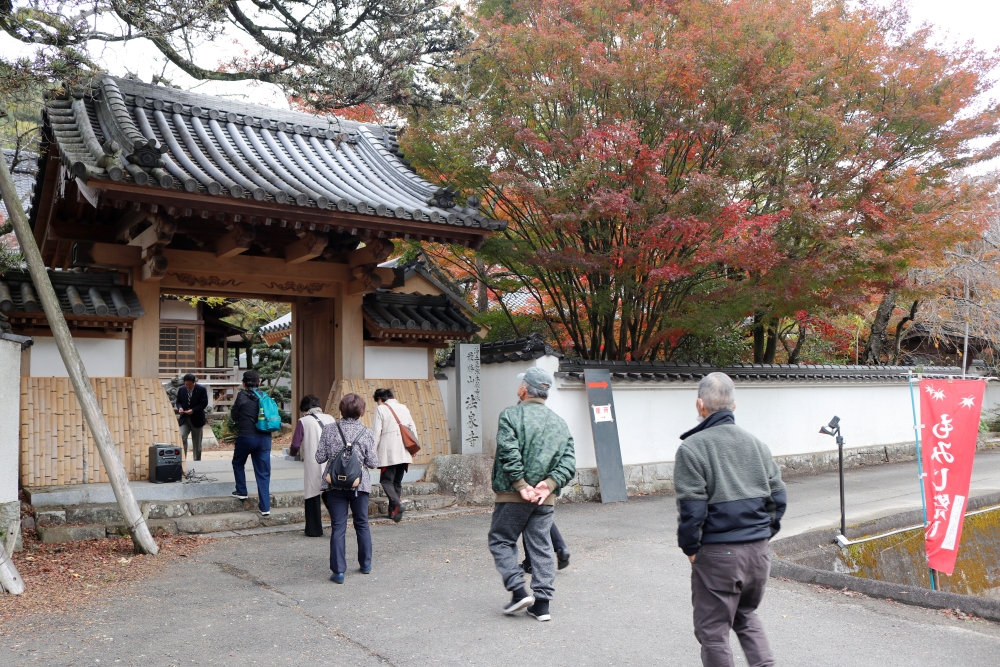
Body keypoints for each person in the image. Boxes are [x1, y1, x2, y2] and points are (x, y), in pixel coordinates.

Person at [674, 372, 787, 667]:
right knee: (745, 615)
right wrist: (762, 533)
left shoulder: (693, 448)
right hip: (758, 551)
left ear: (700, 405)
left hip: (718, 553)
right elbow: (779, 499)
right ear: (734, 407)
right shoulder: (757, 446)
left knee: (713, 631)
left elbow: (692, 510)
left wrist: (691, 549)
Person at [488, 366, 575, 622]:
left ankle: (518, 591)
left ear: (524, 389)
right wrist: (549, 484)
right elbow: (569, 461)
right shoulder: (560, 422)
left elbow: (508, 450)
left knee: (501, 540)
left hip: (514, 495)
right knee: (542, 545)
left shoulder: (511, 415)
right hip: (544, 498)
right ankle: (542, 605)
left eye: (520, 384)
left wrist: (521, 484)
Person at [316, 392, 378, 584]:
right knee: (362, 524)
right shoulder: (366, 432)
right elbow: (373, 462)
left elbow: (319, 457)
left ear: (341, 409)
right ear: (361, 411)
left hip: (334, 485)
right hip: (359, 485)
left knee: (338, 528)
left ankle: (339, 572)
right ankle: (365, 564)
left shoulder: (329, 429)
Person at [289, 394, 336, 537]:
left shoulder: (303, 421)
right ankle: (338, 525)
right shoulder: (330, 418)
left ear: (304, 409)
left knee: (312, 494)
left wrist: (293, 453)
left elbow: (295, 444)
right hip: (331, 461)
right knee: (330, 493)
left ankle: (314, 530)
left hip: (313, 461)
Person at [229, 370, 273, 517]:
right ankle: (265, 507)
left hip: (247, 437)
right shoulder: (265, 396)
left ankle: (241, 491)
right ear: (259, 382)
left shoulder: (242, 396)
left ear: (243, 383)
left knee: (238, 462)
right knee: (263, 473)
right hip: (265, 438)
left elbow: (234, 416)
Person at [371, 387, 417, 523]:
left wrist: (372, 451)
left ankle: (397, 503)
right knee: (397, 481)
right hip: (405, 449)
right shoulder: (404, 408)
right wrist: (414, 449)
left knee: (386, 480)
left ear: (380, 398)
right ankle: (393, 513)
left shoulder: (381, 409)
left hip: (389, 450)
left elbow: (376, 432)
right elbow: (412, 429)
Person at [176, 373, 208, 462]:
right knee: (182, 436)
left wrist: (193, 410)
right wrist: (180, 408)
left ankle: (197, 461)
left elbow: (204, 403)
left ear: (194, 382)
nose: (188, 386)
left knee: (197, 443)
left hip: (197, 418)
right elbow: (178, 402)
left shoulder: (201, 389)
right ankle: (182, 460)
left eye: (190, 384)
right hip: (185, 418)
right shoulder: (181, 389)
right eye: (186, 384)